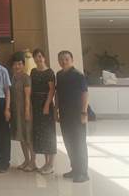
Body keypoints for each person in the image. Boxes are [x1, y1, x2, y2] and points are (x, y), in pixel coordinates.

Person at [56, 50, 89, 183]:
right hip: (64, 113)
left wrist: (84, 112)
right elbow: (58, 94)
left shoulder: (78, 75)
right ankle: (74, 169)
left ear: (72, 60)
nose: (63, 61)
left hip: (77, 113)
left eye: (66, 59)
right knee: (68, 141)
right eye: (61, 59)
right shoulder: (59, 75)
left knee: (79, 142)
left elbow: (85, 93)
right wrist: (56, 109)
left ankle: (83, 173)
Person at [30, 49, 57, 175]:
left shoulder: (49, 72)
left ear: (44, 58)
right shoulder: (33, 71)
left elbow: (52, 90)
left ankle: (51, 164)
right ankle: (46, 163)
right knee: (41, 134)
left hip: (45, 103)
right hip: (35, 104)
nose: (38, 59)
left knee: (49, 133)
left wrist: (47, 105)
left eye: (40, 56)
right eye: (36, 57)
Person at [10, 53, 34, 172]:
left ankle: (33, 162)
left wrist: (27, 111)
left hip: (25, 110)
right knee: (21, 137)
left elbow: (27, 97)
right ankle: (26, 160)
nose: (17, 66)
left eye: (20, 64)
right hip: (16, 111)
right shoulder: (13, 77)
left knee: (28, 137)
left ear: (23, 65)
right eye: (15, 64)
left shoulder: (26, 78)